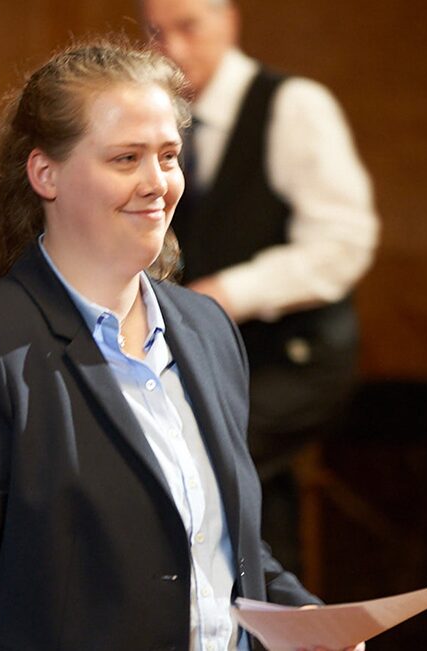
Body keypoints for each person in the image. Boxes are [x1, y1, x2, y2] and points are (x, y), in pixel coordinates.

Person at [0, 42, 361, 650]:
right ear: (44, 174)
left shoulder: (209, 330)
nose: (157, 183)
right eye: (125, 158)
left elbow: (223, 550)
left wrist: (315, 624)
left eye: (168, 156)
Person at [141, 0, 380, 573]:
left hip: (294, 355)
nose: (170, 47)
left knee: (202, 460)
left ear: (229, 22)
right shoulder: (155, 120)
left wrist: (224, 294)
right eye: (154, 32)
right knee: (250, 494)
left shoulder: (294, 106)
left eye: (188, 27)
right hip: (209, 359)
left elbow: (343, 243)